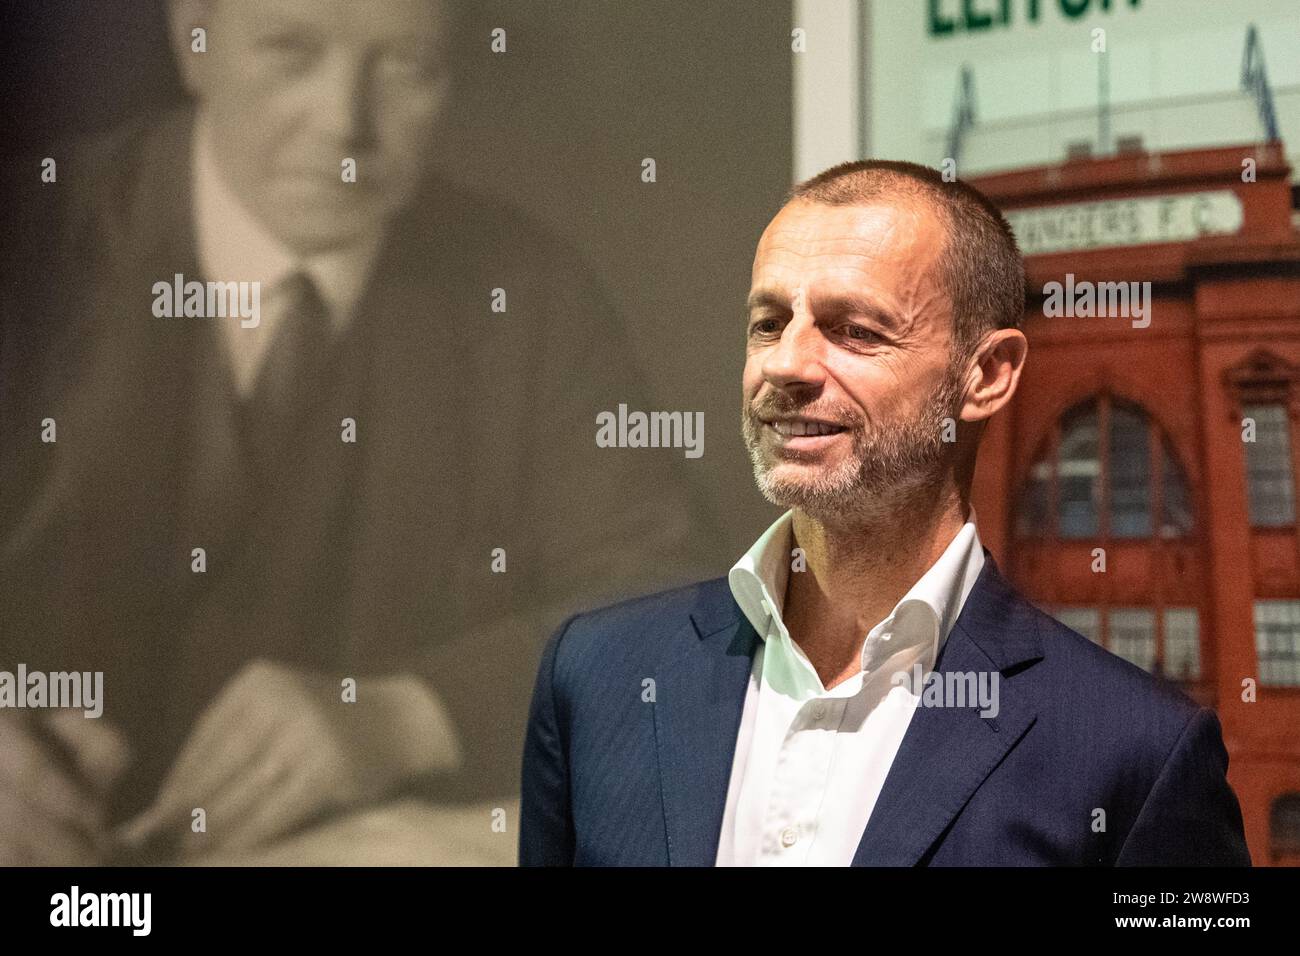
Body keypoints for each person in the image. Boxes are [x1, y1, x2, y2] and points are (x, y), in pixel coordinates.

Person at [0, 0, 718, 864]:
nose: (344, 124)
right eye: (290, 51)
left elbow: (679, 609)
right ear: (192, 39)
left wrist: (412, 713)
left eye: (406, 65)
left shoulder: (523, 293)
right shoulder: (28, 243)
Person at [518, 159, 1252, 866]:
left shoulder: (1136, 753)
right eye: (769, 323)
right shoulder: (597, 675)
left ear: (987, 375)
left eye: (856, 331)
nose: (786, 365)